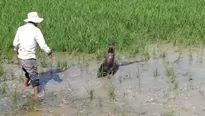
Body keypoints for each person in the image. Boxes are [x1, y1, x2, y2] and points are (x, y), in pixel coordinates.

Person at [12, 11, 53, 100]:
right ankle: (36, 96)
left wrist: (16, 51)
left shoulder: (20, 28)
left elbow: (15, 43)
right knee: (34, 75)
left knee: (28, 71)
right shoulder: (36, 30)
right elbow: (42, 45)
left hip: (21, 56)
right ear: (36, 21)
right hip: (29, 57)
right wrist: (49, 52)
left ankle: (25, 85)